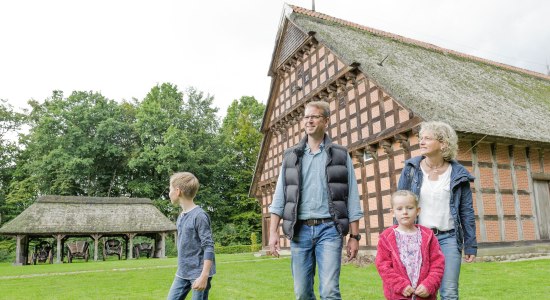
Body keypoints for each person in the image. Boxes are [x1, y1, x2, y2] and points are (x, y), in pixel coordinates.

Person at [268, 100, 364, 300]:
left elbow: (352, 197)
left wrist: (354, 237)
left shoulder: (340, 154)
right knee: (302, 293)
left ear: (326, 121)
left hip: (330, 229)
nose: (309, 120)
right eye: (306, 117)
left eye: (314, 116)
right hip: (299, 231)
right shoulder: (291, 156)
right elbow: (280, 197)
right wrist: (273, 233)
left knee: (329, 291)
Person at [397, 121, 477, 300]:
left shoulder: (458, 174)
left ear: (443, 144)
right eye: (421, 138)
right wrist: (397, 239)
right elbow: (399, 206)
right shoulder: (410, 170)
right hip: (418, 238)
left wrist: (470, 244)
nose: (421, 141)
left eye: (427, 138)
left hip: (448, 239)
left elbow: (466, 211)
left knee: (449, 293)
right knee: (420, 293)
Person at [376, 190, 445, 300]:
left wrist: (429, 285)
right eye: (399, 209)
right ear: (392, 212)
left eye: (409, 208)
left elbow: (438, 264)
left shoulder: (428, 236)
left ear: (418, 210)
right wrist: (400, 285)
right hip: (398, 295)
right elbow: (383, 266)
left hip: (425, 295)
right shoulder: (386, 238)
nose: (405, 212)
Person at [167, 172, 215, 300]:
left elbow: (209, 246)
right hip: (182, 273)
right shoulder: (181, 216)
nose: (169, 193)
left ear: (177, 191)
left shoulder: (199, 216)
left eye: (170, 189)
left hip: (199, 274)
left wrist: (204, 276)